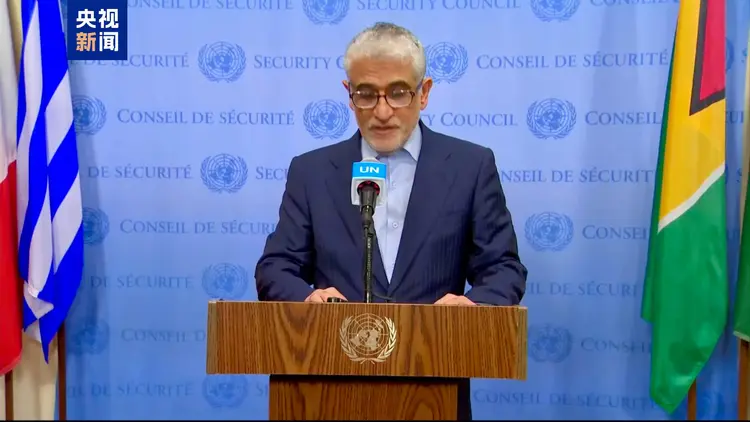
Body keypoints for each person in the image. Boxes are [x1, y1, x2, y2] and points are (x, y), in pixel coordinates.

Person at [254, 22, 528, 420]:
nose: (382, 112)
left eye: (398, 92)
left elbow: (503, 268)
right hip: (327, 388)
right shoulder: (312, 172)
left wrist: (471, 306)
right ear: (349, 94)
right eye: (367, 94)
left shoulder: (470, 167)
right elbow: (276, 267)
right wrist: (307, 301)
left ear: (424, 92)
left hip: (433, 389)